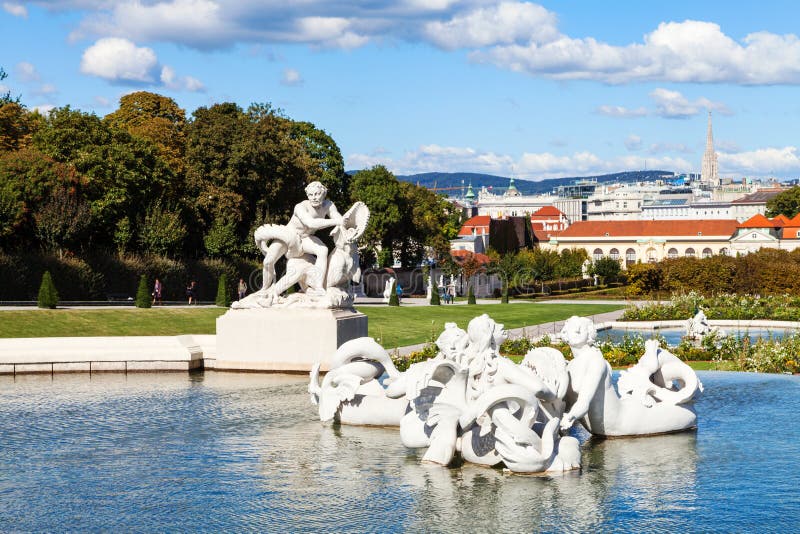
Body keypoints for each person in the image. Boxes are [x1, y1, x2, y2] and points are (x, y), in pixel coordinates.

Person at [255, 181, 342, 297]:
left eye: (317, 194)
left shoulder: (328, 205)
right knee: (268, 261)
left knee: (323, 250)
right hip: (289, 236)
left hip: (306, 238)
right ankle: (264, 289)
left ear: (324, 193)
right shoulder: (300, 207)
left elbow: (340, 219)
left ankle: (319, 287)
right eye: (311, 195)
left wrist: (339, 225)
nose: (314, 198)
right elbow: (311, 223)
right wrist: (336, 222)